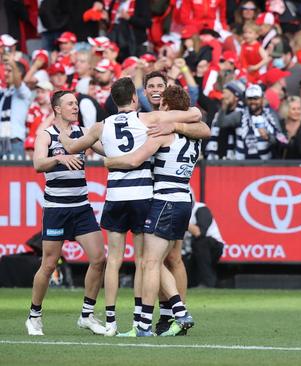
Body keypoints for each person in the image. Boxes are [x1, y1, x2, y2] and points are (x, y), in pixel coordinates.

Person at [59, 78, 206, 336]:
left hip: (141, 197)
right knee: (158, 260)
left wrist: (106, 160)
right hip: (167, 196)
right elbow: (200, 121)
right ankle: (168, 314)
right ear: (136, 98)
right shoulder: (159, 124)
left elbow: (128, 157)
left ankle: (125, 322)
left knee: (135, 261)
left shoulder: (137, 126)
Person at [104, 85, 210, 337]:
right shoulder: (194, 136)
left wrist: (108, 160)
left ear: (165, 108)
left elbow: (134, 160)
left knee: (149, 263)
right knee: (158, 261)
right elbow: (202, 126)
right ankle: (179, 310)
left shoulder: (163, 133)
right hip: (184, 198)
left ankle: (144, 325)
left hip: (164, 200)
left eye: (161, 103)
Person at [26, 91, 106, 336]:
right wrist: (60, 158)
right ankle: (34, 316)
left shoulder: (82, 132)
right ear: (57, 109)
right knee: (49, 265)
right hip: (56, 209)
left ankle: (87, 315)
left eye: (76, 103)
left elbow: (107, 150)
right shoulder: (46, 134)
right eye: (70, 104)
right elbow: (38, 164)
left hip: (81, 207)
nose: (75, 107)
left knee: (99, 259)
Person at [185, 201, 224, 288]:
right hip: (189, 251)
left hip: (212, 246)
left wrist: (181, 220)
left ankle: (207, 283)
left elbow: (199, 232)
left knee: (201, 243)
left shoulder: (201, 209)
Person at [0, 49, 30, 157]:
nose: (5, 74)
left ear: (19, 73)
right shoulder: (3, 93)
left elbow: (18, 83)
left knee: (12, 174)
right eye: (5, 71)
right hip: (1, 142)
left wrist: (12, 62)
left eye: (9, 71)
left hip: (14, 143)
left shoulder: (24, 92)